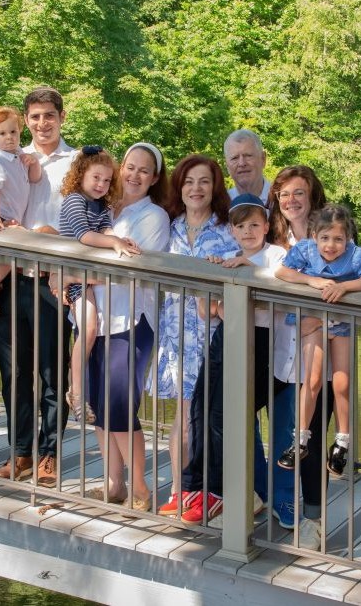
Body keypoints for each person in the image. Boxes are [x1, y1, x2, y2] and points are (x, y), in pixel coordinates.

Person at [166, 193, 291, 524]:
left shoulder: (275, 255)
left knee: (224, 416)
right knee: (200, 406)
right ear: (232, 232)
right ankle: (194, 488)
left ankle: (220, 493)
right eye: (241, 226)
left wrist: (244, 273)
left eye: (254, 225)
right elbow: (209, 312)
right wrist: (215, 285)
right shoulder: (230, 255)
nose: (247, 232)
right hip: (226, 333)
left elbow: (275, 295)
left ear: (266, 226)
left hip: (258, 340)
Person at [0, 86, 74, 486]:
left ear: (61, 117)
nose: (42, 123)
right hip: (12, 275)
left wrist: (51, 236)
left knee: (52, 373)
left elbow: (83, 220)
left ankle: (50, 453)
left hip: (51, 280)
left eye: (49, 116)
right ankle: (21, 451)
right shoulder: (10, 158)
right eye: (35, 116)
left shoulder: (75, 163)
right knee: (14, 372)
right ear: (26, 120)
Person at [83, 142, 169, 512]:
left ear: (154, 178)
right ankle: (114, 482)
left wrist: (76, 274)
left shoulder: (154, 217)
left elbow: (131, 267)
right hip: (91, 319)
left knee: (120, 406)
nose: (134, 175)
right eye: (130, 167)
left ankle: (140, 486)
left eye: (143, 171)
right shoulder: (101, 207)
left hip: (130, 320)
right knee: (99, 405)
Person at [151, 154, 237, 502]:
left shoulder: (227, 228)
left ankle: (205, 492)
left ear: (214, 186)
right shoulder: (168, 226)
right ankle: (179, 490)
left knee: (207, 418)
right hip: (174, 334)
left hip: (212, 334)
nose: (196, 188)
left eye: (204, 181)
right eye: (188, 181)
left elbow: (238, 279)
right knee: (184, 416)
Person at [275, 204, 361, 475]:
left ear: (348, 239)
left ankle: (342, 441)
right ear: (314, 236)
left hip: (341, 323)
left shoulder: (356, 256)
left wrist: (344, 286)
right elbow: (282, 272)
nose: (331, 245)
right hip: (313, 321)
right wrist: (310, 281)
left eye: (338, 239)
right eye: (325, 238)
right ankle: (300, 439)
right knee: (314, 378)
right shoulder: (305, 250)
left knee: (342, 382)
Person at [264, 165, 329, 543]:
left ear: (312, 195)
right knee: (286, 433)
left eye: (298, 193)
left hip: (321, 349)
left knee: (313, 434)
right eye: (283, 194)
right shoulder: (271, 239)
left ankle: (313, 518)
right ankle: (280, 500)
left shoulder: (333, 237)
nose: (290, 201)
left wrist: (318, 322)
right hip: (279, 348)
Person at [56, 146, 140, 424]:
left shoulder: (102, 205)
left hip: (86, 276)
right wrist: (114, 242)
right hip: (73, 274)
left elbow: (104, 229)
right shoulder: (74, 201)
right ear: (81, 175)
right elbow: (84, 235)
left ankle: (77, 388)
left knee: (91, 331)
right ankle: (77, 393)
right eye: (96, 178)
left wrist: (119, 238)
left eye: (106, 180)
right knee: (89, 329)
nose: (102, 185)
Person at [0, 106, 41, 313]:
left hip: (12, 215)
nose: (9, 138)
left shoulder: (20, 154)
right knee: (15, 250)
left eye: (13, 132)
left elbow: (34, 178)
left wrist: (34, 163)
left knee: (9, 253)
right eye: (2, 134)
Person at [224, 129, 270, 199]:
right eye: (235, 158)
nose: (242, 163)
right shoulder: (220, 205)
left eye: (248, 156)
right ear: (227, 165)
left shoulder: (282, 200)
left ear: (263, 159)